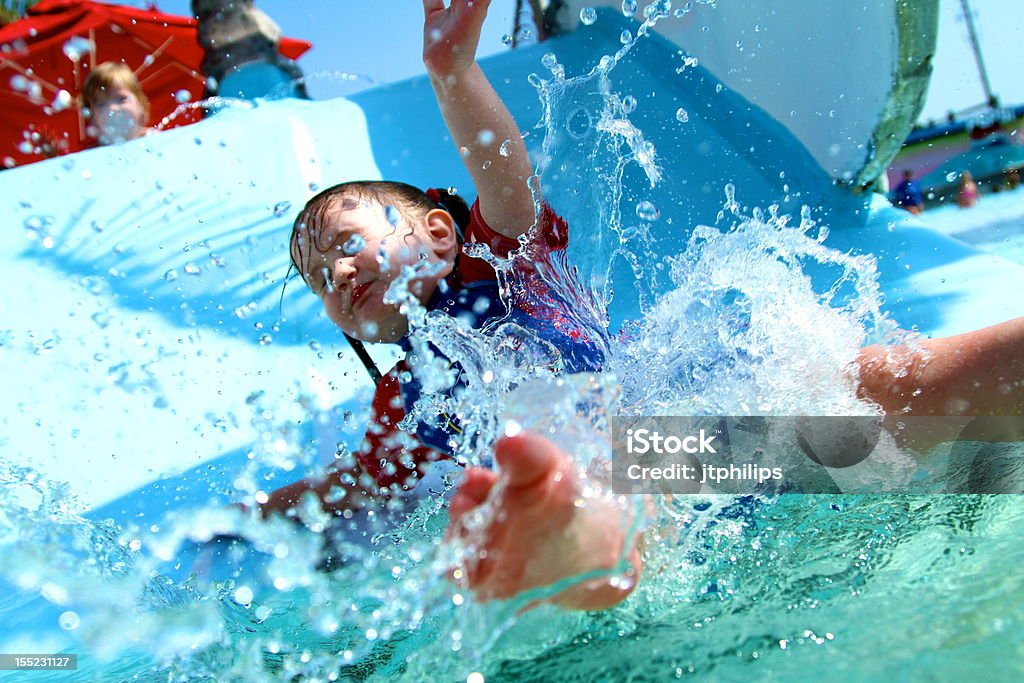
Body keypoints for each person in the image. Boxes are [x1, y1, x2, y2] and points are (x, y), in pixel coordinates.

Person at [264, 0, 1024, 611]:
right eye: (318, 279)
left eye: (345, 242)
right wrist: (272, 508)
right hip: (637, 480)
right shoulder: (403, 401)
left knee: (884, 387)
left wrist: (452, 71)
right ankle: (562, 531)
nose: (335, 271)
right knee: (607, 497)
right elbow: (360, 484)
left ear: (435, 233)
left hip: (676, 417)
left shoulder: (501, 265)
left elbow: (503, 172)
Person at [81, 62, 151, 146]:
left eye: (121, 99)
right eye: (101, 104)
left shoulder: (156, 141)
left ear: (141, 104)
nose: (112, 108)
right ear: (93, 119)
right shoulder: (92, 156)